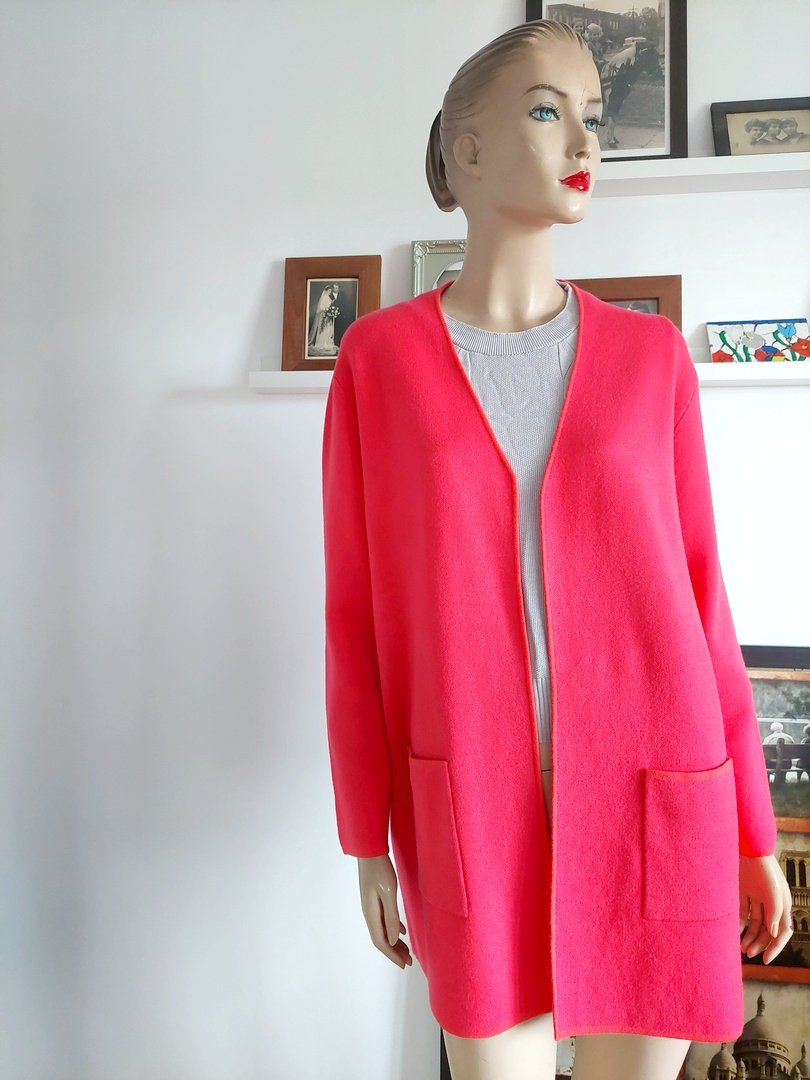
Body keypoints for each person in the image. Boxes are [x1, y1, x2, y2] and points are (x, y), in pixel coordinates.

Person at [321, 19, 793, 1080]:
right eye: (547, 111)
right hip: (470, 806)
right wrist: (365, 839)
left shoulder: (651, 359)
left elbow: (704, 601)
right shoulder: (379, 363)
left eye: (593, 117)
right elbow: (353, 620)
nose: (584, 141)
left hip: (653, 803)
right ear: (468, 148)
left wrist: (752, 832)